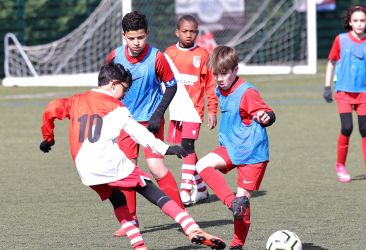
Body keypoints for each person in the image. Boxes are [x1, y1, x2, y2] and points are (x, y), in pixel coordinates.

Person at [39, 62, 226, 250]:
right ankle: (192, 228)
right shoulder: (116, 106)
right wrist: (167, 149)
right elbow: (140, 133)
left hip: (85, 170)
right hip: (108, 163)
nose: (125, 94)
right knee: (151, 189)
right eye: (124, 89)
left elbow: (51, 108)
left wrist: (48, 138)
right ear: (113, 84)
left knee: (118, 199)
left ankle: (139, 246)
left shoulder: (75, 100)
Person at [106, 11, 184, 236]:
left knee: (156, 167)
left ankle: (180, 214)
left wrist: (159, 114)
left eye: (140, 37)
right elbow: (107, 88)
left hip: (151, 120)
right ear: (124, 36)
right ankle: (130, 221)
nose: (136, 42)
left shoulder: (157, 57)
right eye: (131, 38)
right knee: (127, 170)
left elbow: (171, 85)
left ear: (147, 34)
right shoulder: (115, 56)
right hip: (124, 122)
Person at [195, 45, 276, 250]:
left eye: (224, 73)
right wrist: (211, 111)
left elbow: (266, 112)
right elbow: (213, 95)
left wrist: (267, 117)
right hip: (231, 146)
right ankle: (231, 203)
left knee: (244, 201)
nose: (220, 78)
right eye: (216, 74)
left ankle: (236, 245)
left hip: (252, 153)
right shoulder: (219, 88)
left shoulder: (247, 92)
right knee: (202, 165)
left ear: (235, 70)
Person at [323, 4, 366, 183]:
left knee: (365, 130)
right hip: (343, 91)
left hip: (363, 93)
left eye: (362, 21)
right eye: (355, 20)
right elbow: (331, 62)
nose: (359, 24)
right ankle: (340, 166)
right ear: (349, 22)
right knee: (347, 128)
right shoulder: (341, 39)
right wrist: (327, 86)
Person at [164, 15, 218, 206]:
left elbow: (211, 84)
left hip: (194, 110)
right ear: (177, 32)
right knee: (184, 151)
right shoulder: (169, 53)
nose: (189, 35)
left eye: (193, 31)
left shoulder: (203, 54)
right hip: (176, 109)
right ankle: (202, 190)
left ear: (197, 32)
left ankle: (185, 190)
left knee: (187, 146)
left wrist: (212, 109)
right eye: (185, 31)